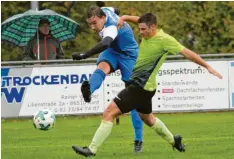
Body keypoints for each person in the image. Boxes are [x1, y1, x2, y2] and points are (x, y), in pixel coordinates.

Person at [71, 13, 223, 157]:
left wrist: (207, 66)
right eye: (139, 28)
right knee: (148, 119)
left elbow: (187, 53)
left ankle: (91, 149)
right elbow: (139, 20)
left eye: (143, 29)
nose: (140, 32)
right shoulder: (149, 28)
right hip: (147, 88)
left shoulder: (165, 40)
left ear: (153, 28)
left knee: (109, 113)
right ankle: (174, 141)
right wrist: (124, 17)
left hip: (139, 86)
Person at [72, 5, 144, 152]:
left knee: (134, 98)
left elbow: (105, 43)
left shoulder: (110, 28)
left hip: (129, 55)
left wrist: (84, 55)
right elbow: (115, 8)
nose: (93, 27)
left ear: (103, 18)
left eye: (94, 23)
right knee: (102, 68)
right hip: (113, 51)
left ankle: (138, 139)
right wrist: (119, 13)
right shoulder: (105, 10)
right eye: (90, 24)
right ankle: (89, 90)